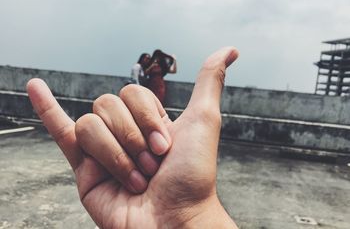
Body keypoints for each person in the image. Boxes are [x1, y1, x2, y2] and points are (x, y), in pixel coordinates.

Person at [26, 47, 239, 229]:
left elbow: (172, 70)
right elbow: (142, 76)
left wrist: (193, 214)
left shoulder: (162, 66)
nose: (150, 60)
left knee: (150, 121)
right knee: (144, 123)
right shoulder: (150, 67)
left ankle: (149, 135)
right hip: (148, 91)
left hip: (156, 91)